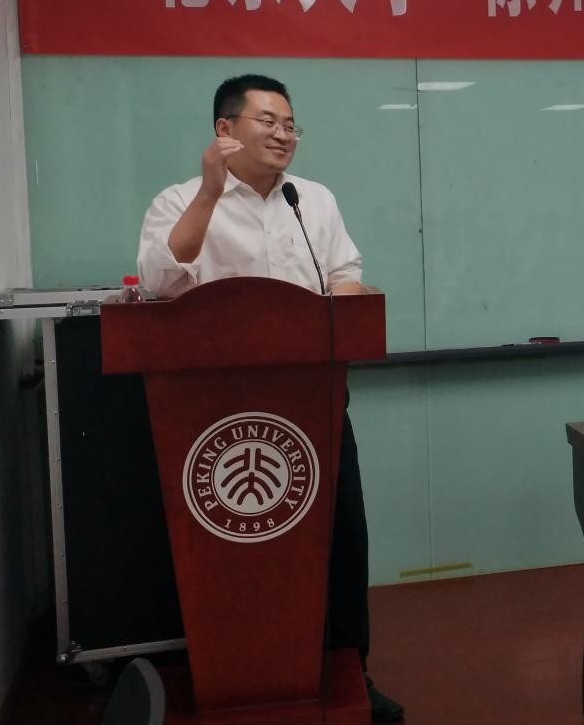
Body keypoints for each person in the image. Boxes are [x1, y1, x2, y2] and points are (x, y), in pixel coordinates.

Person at [136, 74, 404, 723]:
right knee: (232, 548)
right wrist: (209, 191)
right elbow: (158, 282)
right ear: (224, 130)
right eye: (268, 121)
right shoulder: (177, 200)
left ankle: (349, 671)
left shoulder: (312, 200)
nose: (284, 135)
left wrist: (346, 305)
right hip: (210, 413)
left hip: (313, 401)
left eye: (290, 124)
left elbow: (344, 276)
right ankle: (234, 675)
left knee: (341, 537)